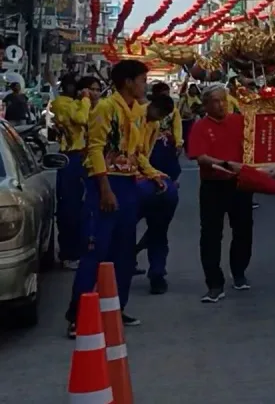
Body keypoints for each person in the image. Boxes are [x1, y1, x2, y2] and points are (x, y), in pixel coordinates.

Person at [64, 60, 169, 338]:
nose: (144, 85)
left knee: (123, 252)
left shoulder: (137, 112)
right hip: (106, 184)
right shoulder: (105, 108)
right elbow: (95, 149)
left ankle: (115, 307)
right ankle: (78, 316)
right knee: (96, 251)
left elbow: (134, 153)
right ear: (127, 82)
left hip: (128, 185)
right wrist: (105, 188)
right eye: (142, 80)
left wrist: (152, 174)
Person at [187, 85, 253, 303]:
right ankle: (214, 283)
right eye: (215, 101)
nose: (221, 104)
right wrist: (225, 164)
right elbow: (200, 156)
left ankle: (239, 271)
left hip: (240, 183)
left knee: (243, 230)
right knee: (211, 235)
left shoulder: (239, 120)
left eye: (223, 100)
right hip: (213, 186)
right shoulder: (200, 126)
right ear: (206, 105)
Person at [135, 89, 180, 294]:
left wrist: (157, 175)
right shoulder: (132, 116)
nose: (158, 120)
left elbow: (143, 154)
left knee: (159, 230)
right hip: (129, 176)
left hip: (149, 175)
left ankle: (157, 273)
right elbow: (134, 153)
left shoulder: (154, 124)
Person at [50, 74, 97, 267]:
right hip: (70, 156)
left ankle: (82, 246)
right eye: (90, 89)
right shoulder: (62, 103)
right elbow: (81, 118)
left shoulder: (82, 104)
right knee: (70, 207)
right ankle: (69, 252)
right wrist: (85, 100)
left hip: (84, 157)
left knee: (84, 207)